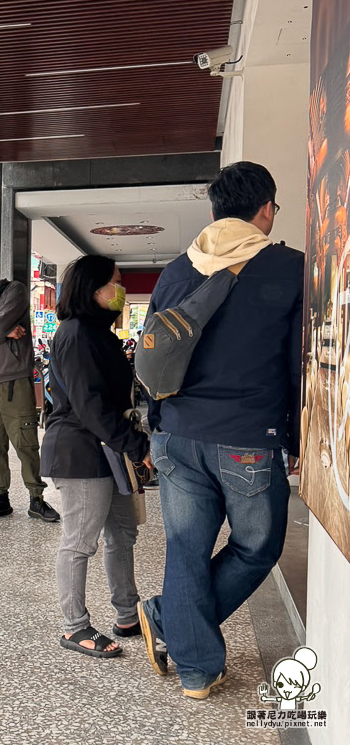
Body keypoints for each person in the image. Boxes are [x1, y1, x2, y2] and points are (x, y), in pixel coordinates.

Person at [138, 162, 303, 700]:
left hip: (175, 436)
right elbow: (301, 362)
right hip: (247, 437)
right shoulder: (291, 269)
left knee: (186, 549)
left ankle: (197, 669)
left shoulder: (176, 271)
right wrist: (300, 438)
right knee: (257, 546)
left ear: (213, 212)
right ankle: (167, 619)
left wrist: (153, 427)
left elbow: (154, 356)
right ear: (264, 210)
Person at [41, 256, 151, 659]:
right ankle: (74, 627)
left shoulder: (100, 332)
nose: (121, 289)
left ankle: (126, 613)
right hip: (81, 451)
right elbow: (89, 406)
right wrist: (137, 446)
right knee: (79, 541)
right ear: (93, 289)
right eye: (116, 282)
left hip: (108, 449)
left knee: (123, 533)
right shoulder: (75, 334)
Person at [0, 253, 59, 522]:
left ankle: (36, 498)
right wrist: (1, 333)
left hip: (15, 381)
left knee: (25, 442)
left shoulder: (14, 291)